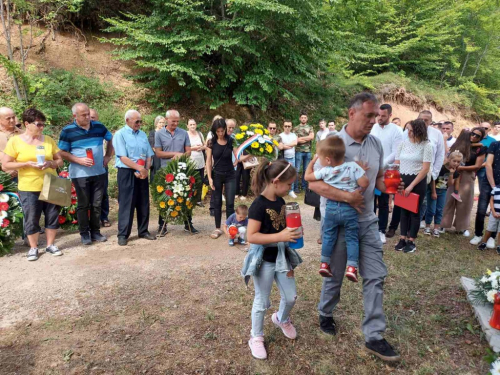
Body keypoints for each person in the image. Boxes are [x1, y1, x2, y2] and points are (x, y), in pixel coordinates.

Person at [309, 92, 400, 362]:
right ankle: (325, 313)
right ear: (352, 113)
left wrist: (393, 186)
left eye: (378, 115)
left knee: (375, 275)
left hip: (368, 222)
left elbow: (379, 179)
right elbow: (314, 183)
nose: (375, 119)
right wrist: (348, 196)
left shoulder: (376, 144)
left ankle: (374, 335)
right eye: (369, 115)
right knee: (335, 275)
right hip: (338, 223)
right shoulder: (333, 144)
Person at [242, 159, 301, 360]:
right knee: (262, 301)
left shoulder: (281, 202)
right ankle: (256, 337)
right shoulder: (258, 205)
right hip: (264, 261)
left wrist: (292, 233)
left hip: (282, 258)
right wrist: (280, 236)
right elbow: (252, 236)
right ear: (276, 181)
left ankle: (281, 319)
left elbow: (282, 229)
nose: (290, 188)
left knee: (291, 296)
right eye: (289, 184)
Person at [2, 108, 63, 261]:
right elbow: (5, 165)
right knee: (31, 218)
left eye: (43, 124)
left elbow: (59, 161)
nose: (42, 127)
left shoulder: (48, 139)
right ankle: (34, 248)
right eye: (38, 124)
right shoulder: (15, 141)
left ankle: (50, 245)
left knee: (52, 215)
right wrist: (26, 164)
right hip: (28, 186)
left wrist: (50, 163)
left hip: (51, 183)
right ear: (27, 124)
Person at [304, 136, 368, 280]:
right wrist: (359, 179)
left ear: (327, 160)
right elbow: (364, 182)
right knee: (352, 238)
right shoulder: (352, 166)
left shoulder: (326, 171)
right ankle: (351, 267)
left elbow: (307, 177)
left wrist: (312, 161)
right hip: (350, 209)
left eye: (320, 158)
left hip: (331, 207)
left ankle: (324, 264)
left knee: (328, 236)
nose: (318, 160)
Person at [58, 103, 113, 245]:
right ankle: (84, 233)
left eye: (88, 114)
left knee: (97, 203)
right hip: (79, 174)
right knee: (83, 204)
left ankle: (96, 232)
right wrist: (78, 160)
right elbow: (62, 152)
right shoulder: (67, 131)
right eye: (84, 115)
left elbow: (111, 138)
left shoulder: (99, 126)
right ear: (74, 116)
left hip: (99, 172)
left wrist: (108, 156)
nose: (88, 117)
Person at [112, 110, 156, 246]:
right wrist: (138, 168)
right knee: (127, 203)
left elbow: (149, 154)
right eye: (136, 121)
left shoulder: (142, 134)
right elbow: (122, 157)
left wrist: (145, 170)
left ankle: (143, 230)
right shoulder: (120, 135)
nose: (139, 123)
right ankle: (123, 234)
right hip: (127, 172)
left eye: (140, 121)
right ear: (127, 121)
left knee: (143, 201)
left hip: (142, 171)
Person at [154, 109, 198, 234]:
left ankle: (188, 224)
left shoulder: (184, 133)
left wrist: (182, 156)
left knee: (185, 196)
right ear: (167, 120)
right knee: (165, 197)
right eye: (173, 121)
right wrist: (175, 154)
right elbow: (158, 153)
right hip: (165, 171)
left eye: (177, 121)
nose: (175, 124)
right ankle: (162, 226)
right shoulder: (159, 134)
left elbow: (188, 152)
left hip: (182, 169)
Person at [393, 119, 433, 254]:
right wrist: (397, 181)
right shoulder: (403, 144)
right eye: (407, 130)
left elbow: (425, 169)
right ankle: (402, 238)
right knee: (403, 211)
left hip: (417, 181)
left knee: (414, 212)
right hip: (402, 181)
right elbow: (397, 163)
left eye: (411, 130)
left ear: (419, 130)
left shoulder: (427, 145)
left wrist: (411, 186)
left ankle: (411, 241)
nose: (409, 133)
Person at [206, 118, 249, 239]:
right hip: (217, 175)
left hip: (230, 174)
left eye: (222, 131)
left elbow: (238, 157)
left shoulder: (231, 141)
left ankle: (231, 227)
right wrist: (209, 178)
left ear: (225, 129)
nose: (220, 133)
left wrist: (251, 154)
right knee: (217, 202)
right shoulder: (211, 142)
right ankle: (217, 228)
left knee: (230, 203)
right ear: (215, 131)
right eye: (218, 131)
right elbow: (209, 161)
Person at [403, 111, 445, 229]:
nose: (423, 122)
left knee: (422, 202)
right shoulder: (410, 132)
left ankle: (415, 225)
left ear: (431, 121)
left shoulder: (436, 134)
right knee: (407, 200)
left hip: (427, 173)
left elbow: (440, 154)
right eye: (421, 119)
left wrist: (434, 173)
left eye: (426, 120)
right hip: (410, 172)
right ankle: (406, 226)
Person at [442, 128, 487, 238]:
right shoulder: (459, 144)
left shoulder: (481, 149)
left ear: (481, 138)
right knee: (448, 199)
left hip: (467, 175)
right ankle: (443, 224)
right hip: (452, 173)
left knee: (464, 203)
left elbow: (477, 165)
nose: (474, 136)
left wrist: (461, 167)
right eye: (473, 134)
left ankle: (461, 227)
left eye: (477, 136)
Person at [370, 104, 403, 244]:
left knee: (384, 202)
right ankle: (370, 229)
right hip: (371, 169)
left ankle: (381, 230)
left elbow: (396, 151)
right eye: (378, 115)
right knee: (370, 200)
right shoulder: (373, 128)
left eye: (383, 116)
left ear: (390, 115)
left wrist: (382, 164)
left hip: (387, 170)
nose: (380, 118)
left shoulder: (397, 130)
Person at [424, 151, 463, 237]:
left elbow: (449, 185)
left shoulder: (455, 172)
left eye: (458, 162)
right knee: (431, 209)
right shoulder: (441, 168)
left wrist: (451, 174)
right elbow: (433, 179)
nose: (456, 163)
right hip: (433, 190)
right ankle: (427, 226)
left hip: (443, 192)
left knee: (439, 210)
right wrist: (433, 192)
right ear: (449, 159)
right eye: (454, 161)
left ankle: (436, 228)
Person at [470, 122, 497, 244]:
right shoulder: (494, 145)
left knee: (497, 210)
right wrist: (493, 185)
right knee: (481, 209)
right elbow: (489, 164)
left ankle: (492, 237)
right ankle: (478, 234)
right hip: (488, 181)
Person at [89, 109, 111, 228]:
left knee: (103, 193)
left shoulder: (101, 129)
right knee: (88, 193)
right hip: (85, 166)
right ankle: (92, 218)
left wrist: (108, 156)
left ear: (97, 118)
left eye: (93, 117)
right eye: (89, 117)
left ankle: (104, 217)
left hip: (101, 165)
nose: (91, 119)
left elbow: (111, 140)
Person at [293, 110, 314, 193]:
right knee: (297, 170)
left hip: (308, 151)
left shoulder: (310, 127)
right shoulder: (296, 128)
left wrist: (302, 138)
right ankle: (296, 187)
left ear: (307, 118)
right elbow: (296, 140)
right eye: (302, 118)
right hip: (298, 151)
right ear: (299, 118)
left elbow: (311, 137)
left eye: (305, 118)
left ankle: (304, 186)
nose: (303, 119)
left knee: (306, 169)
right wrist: (306, 138)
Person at [0, 107, 22, 181]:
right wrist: (6, 169)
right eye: (8, 118)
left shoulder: (23, 134)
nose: (12, 120)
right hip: (3, 176)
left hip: (22, 174)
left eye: (13, 117)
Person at [477, 185, 500, 252]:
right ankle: (484, 243)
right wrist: (493, 212)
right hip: (494, 214)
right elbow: (491, 201)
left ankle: (499, 246)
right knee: (489, 229)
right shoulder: (495, 189)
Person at [279, 120, 298, 198]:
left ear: (291, 127)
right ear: (283, 127)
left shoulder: (293, 135)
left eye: (289, 126)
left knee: (292, 174)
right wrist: (290, 145)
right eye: (286, 126)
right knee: (283, 174)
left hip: (292, 157)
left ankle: (291, 190)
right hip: (283, 157)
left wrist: (285, 145)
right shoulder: (280, 135)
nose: (287, 128)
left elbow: (295, 143)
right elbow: (280, 146)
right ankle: (282, 190)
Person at [186, 118, 206, 191]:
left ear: (196, 125)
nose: (192, 126)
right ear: (187, 126)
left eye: (193, 124)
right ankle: (191, 197)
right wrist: (193, 148)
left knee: (200, 180)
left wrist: (201, 148)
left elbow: (205, 145)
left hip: (200, 161)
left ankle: (199, 199)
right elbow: (183, 148)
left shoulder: (200, 134)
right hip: (190, 162)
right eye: (190, 125)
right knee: (191, 180)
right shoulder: (185, 135)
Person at [235, 119, 251, 200]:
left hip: (247, 158)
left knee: (245, 176)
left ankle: (244, 194)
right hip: (238, 158)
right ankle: (237, 192)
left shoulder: (251, 137)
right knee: (237, 175)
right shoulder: (239, 136)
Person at [148, 115, 166, 185]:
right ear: (156, 123)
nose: (162, 124)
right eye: (160, 122)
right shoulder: (152, 133)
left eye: (163, 122)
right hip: (156, 157)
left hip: (165, 157)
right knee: (156, 174)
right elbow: (153, 147)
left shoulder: (166, 133)